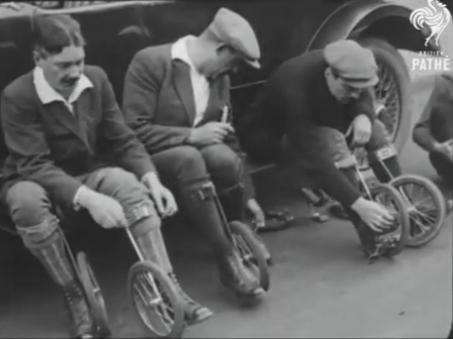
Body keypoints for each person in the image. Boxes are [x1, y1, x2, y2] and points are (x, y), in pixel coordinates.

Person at [0, 14, 212, 339]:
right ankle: (76, 298)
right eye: (63, 65)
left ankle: (168, 287)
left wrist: (151, 179)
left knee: (128, 185)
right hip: (34, 178)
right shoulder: (17, 95)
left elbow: (122, 138)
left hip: (89, 170)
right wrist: (91, 199)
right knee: (26, 202)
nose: (74, 72)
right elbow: (34, 164)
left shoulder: (95, 79)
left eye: (79, 61)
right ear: (38, 58)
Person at [122, 8, 269, 300]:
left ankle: (237, 237)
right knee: (190, 157)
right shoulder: (152, 62)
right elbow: (131, 132)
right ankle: (227, 259)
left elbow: (229, 135)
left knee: (225, 158)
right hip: (152, 159)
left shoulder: (218, 76)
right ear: (220, 48)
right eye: (234, 60)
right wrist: (190, 136)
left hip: (196, 160)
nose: (235, 70)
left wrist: (249, 193)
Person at [240, 39, 404, 258]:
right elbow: (317, 161)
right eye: (349, 89)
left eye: (358, 89)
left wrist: (363, 115)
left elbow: (363, 90)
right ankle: (368, 230)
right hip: (275, 137)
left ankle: (406, 203)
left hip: (321, 117)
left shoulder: (346, 70)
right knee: (335, 145)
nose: (354, 94)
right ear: (329, 75)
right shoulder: (293, 89)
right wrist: (357, 203)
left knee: (376, 131)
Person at [413, 72, 453, 185]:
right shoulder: (445, 86)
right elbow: (419, 130)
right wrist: (438, 146)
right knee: (442, 109)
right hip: (447, 158)